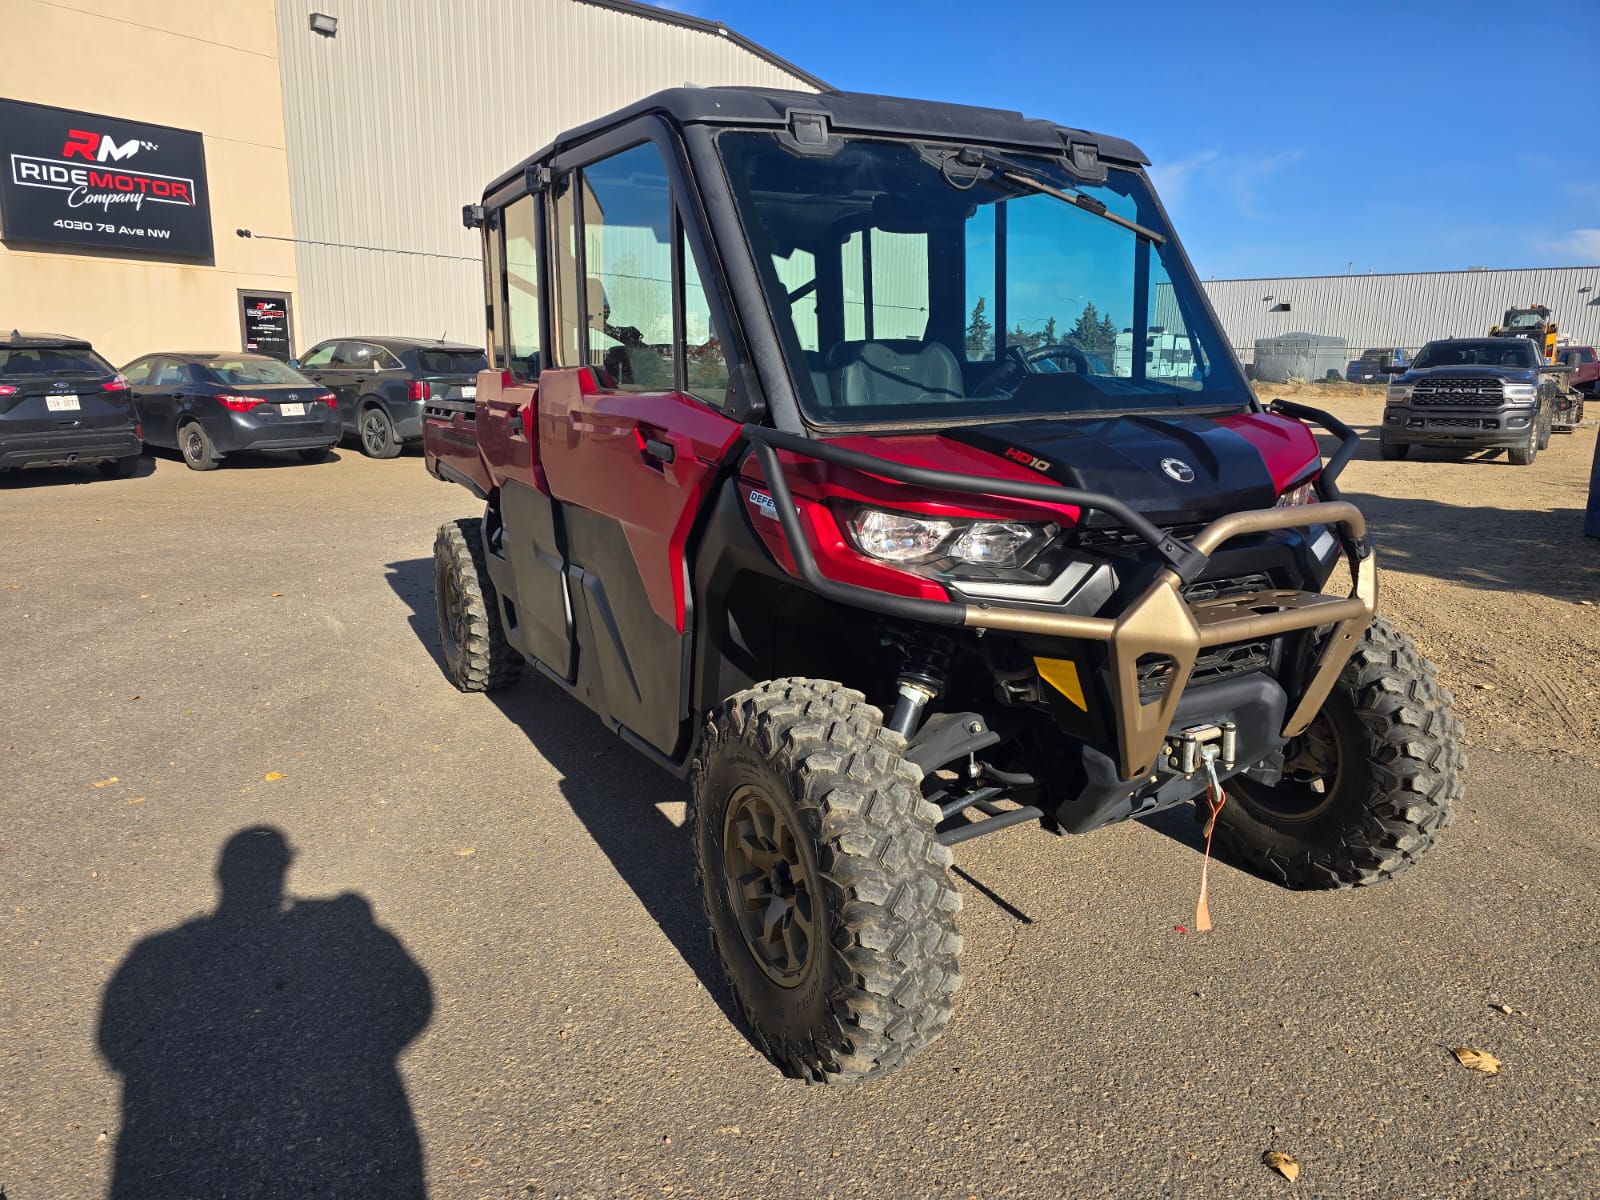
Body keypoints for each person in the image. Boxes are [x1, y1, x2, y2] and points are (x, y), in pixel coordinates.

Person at [98, 826, 432, 1198]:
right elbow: (415, 1000)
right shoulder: (160, 952)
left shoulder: (158, 951)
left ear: (222, 874)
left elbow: (115, 1040)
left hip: (175, 1146)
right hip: (348, 1128)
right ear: (284, 867)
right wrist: (365, 1051)